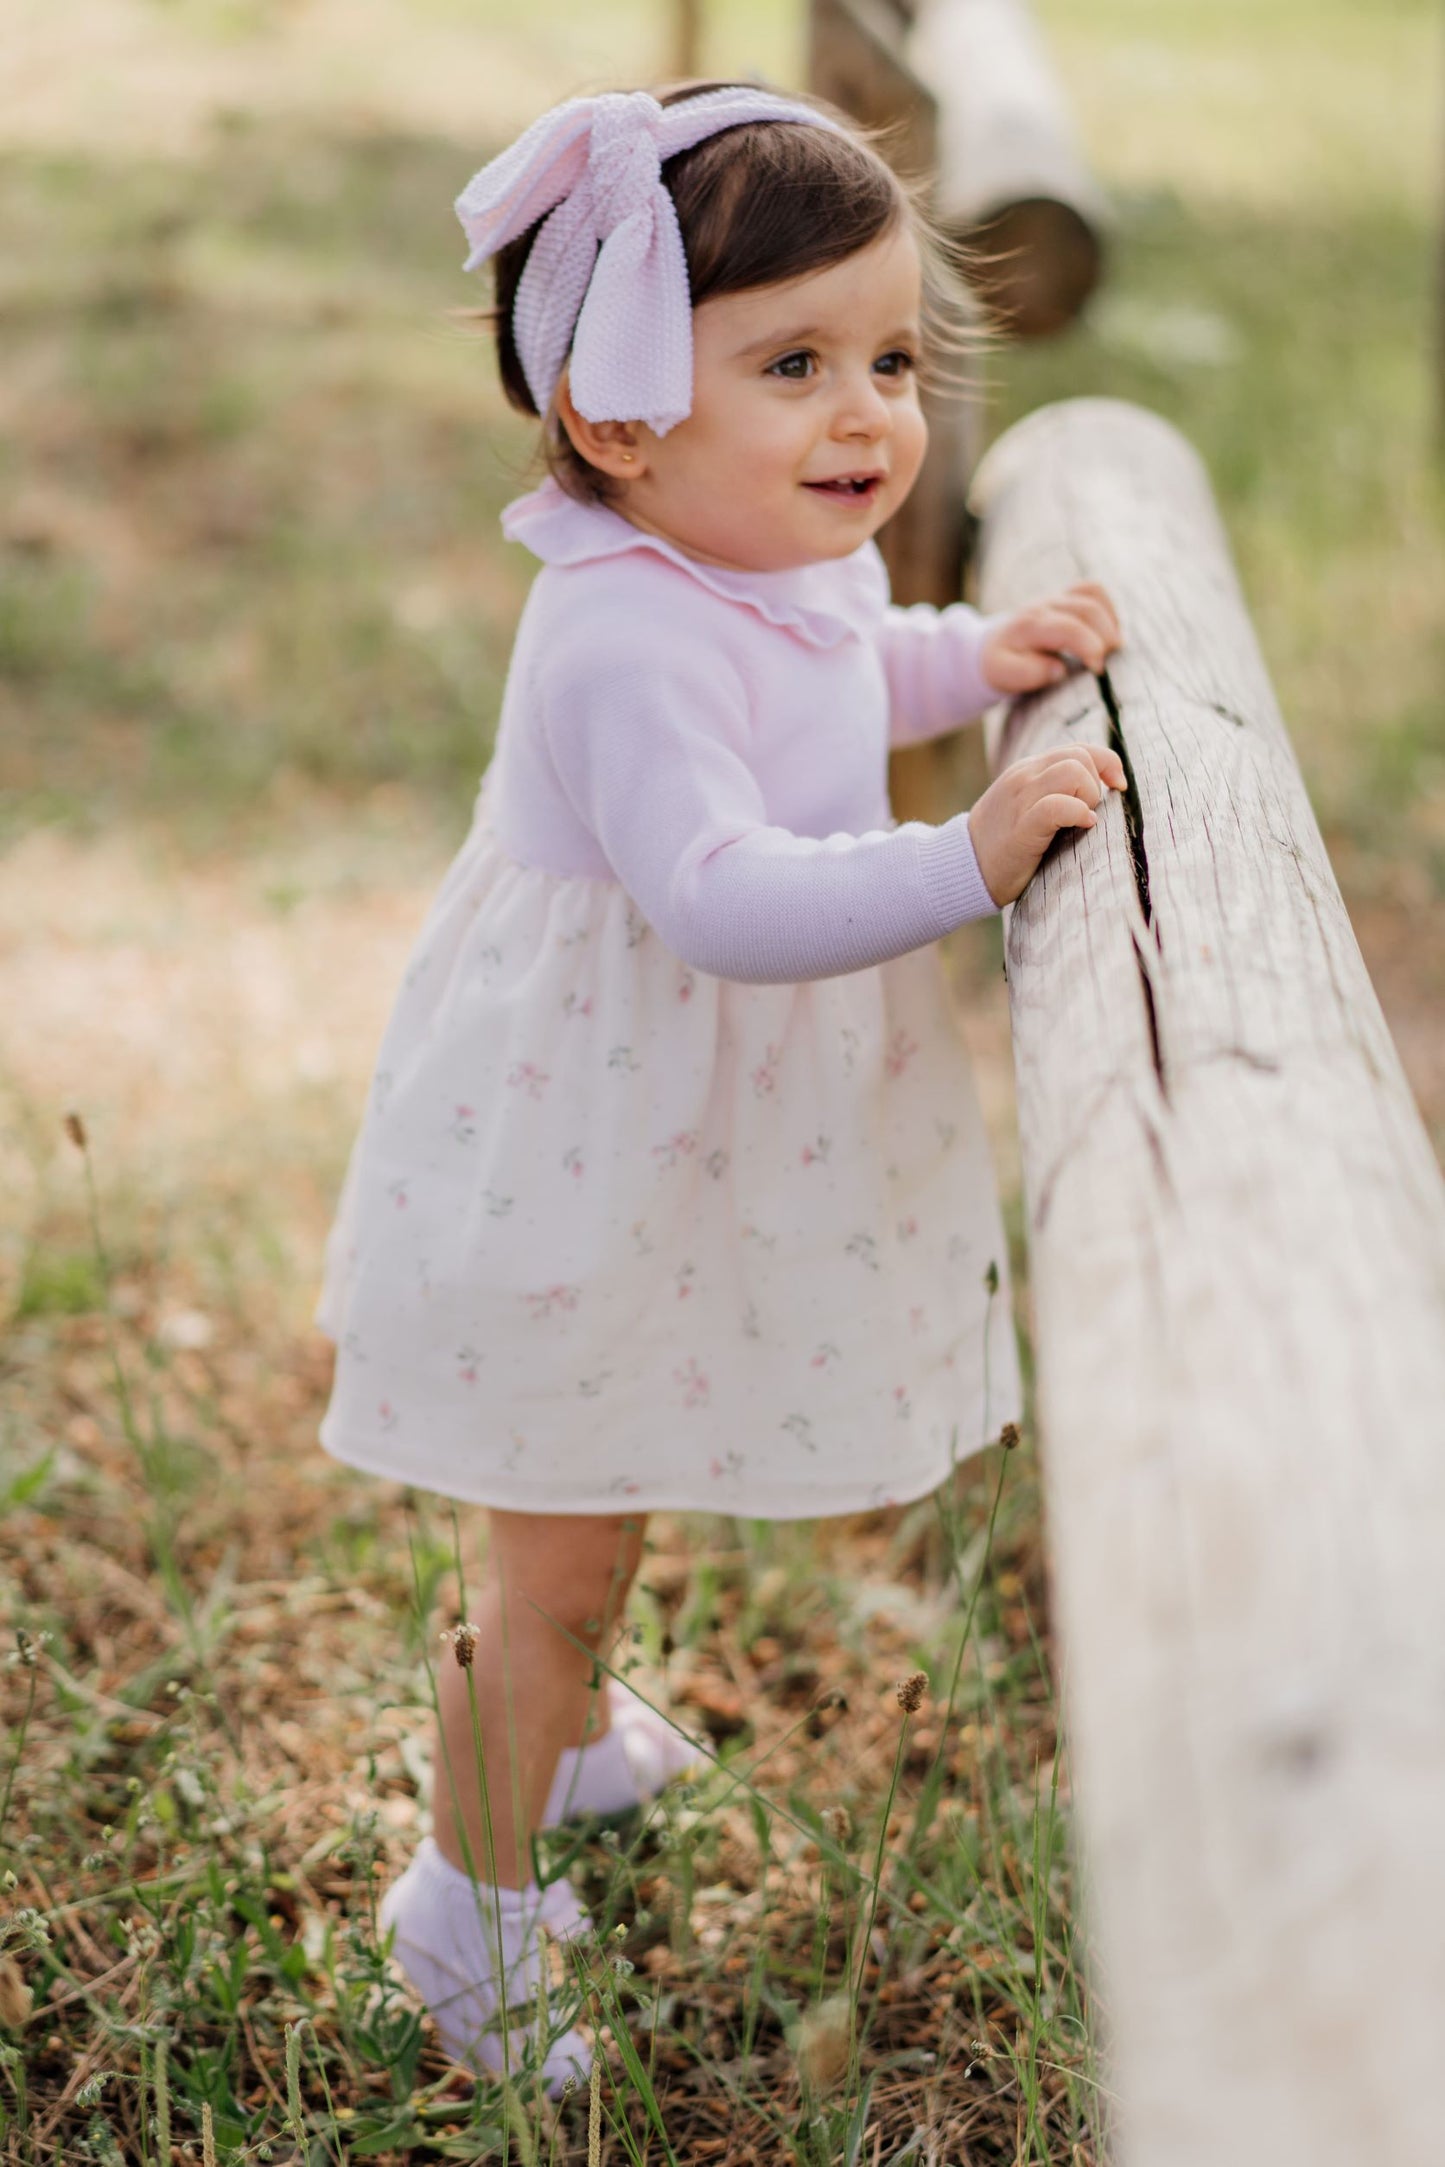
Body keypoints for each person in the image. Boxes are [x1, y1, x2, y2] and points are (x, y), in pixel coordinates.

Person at [314, 79, 1124, 2096]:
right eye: (793, 365)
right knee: (553, 1540)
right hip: (593, 1122)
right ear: (616, 418)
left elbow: (837, 666)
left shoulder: (756, 536)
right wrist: (966, 859)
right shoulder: (617, 641)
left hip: (675, 1134)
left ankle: (571, 1743)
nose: (869, 413)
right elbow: (725, 893)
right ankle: (466, 1907)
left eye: (887, 359)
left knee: (623, 1453)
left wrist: (974, 653)